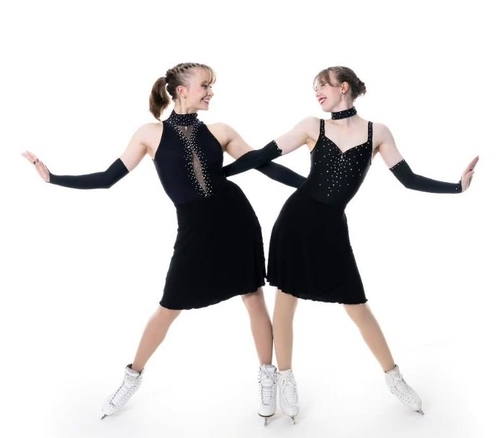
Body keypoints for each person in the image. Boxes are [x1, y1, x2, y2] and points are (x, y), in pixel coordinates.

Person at [22, 62, 306, 423]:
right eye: (205, 85)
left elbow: (264, 165)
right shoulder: (150, 134)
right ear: (181, 90)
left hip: (235, 219)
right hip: (193, 228)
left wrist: (311, 188)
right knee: (170, 306)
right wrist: (54, 178)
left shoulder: (220, 131)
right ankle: (132, 377)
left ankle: (268, 378)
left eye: (211, 86)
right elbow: (108, 178)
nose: (211, 92)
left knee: (253, 297)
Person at [223, 65, 478, 423]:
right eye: (315, 88)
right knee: (286, 301)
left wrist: (456, 187)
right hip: (296, 221)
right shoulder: (312, 126)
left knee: (357, 305)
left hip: (331, 228)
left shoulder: (378, 132)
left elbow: (407, 179)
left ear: (343, 87)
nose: (317, 93)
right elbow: (261, 156)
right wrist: (220, 174)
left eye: (322, 86)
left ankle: (394, 378)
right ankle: (286, 378)